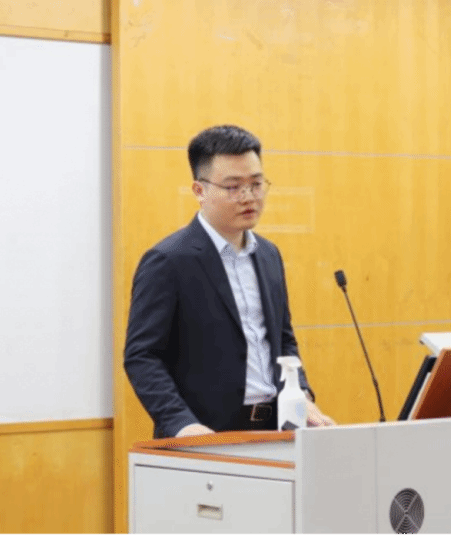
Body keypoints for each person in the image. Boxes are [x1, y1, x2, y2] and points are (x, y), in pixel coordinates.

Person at [124, 124, 335, 438]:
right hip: (205, 433)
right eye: (233, 187)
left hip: (276, 427)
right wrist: (181, 423)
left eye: (256, 184)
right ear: (200, 191)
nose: (248, 197)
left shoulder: (268, 255)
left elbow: (283, 339)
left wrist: (300, 394)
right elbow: (142, 356)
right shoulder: (168, 260)